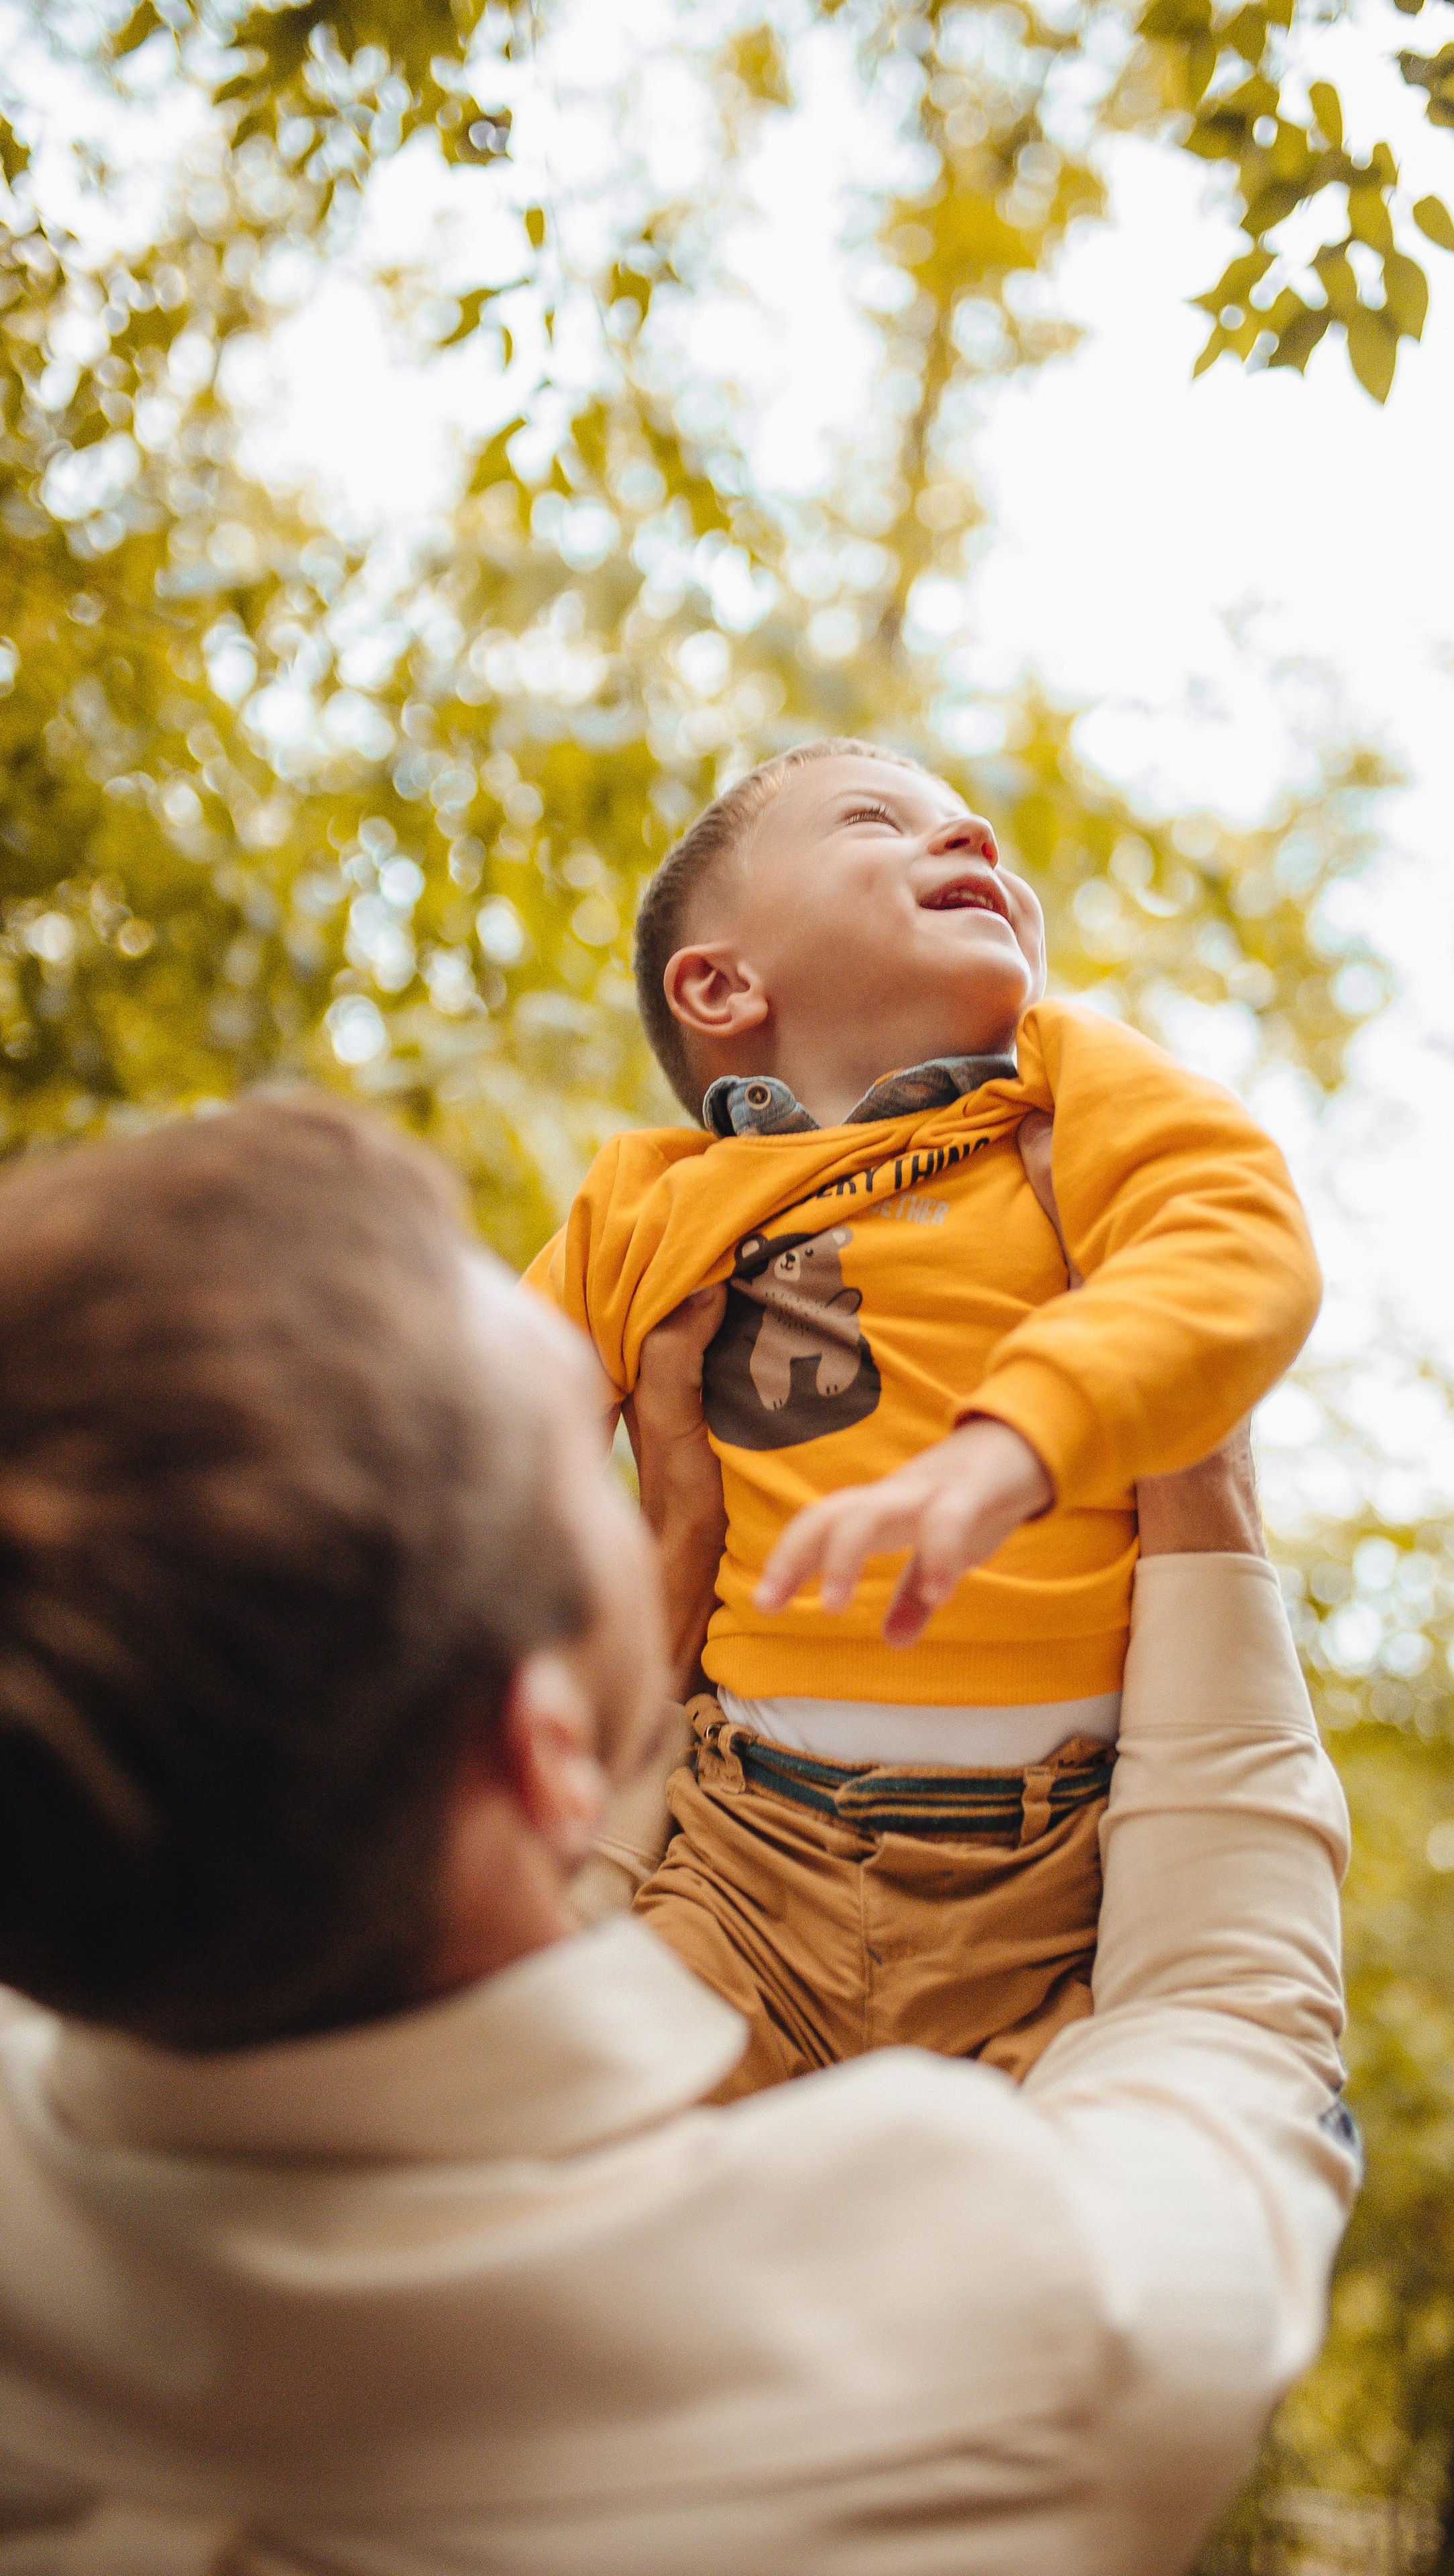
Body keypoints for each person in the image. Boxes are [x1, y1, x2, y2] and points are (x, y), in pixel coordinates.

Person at [0, 1093, 1354, 2576]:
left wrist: (673, 1551)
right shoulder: (1022, 2323)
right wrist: (1188, 1440)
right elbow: (1230, 2022)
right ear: (538, 1752)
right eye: (576, 1477)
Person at [528, 736, 1323, 2090]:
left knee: (1028, 2241)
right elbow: (481, 1438)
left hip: (1055, 1889)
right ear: (720, 984)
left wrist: (1016, 1442)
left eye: (972, 830)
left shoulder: (1072, 1087)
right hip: (742, 1866)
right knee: (575, 2140)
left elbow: (1235, 1245)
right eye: (875, 821)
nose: (973, 845)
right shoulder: (648, 1202)